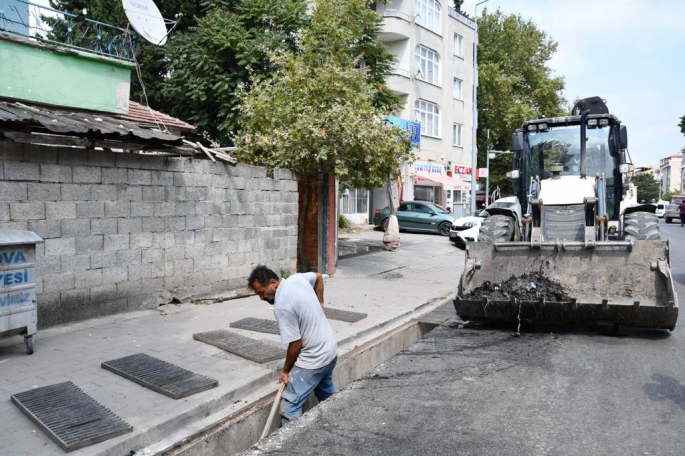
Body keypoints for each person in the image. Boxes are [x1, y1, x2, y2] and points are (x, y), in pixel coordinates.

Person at [247, 265, 338, 425]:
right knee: (326, 392)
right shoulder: (296, 279)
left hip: (315, 359)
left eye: (261, 292)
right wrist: (320, 302)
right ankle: (342, 419)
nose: (261, 298)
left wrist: (285, 371)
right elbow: (318, 277)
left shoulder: (282, 305)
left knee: (289, 406)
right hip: (330, 349)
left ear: (273, 283)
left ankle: (292, 445)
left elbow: (295, 344)